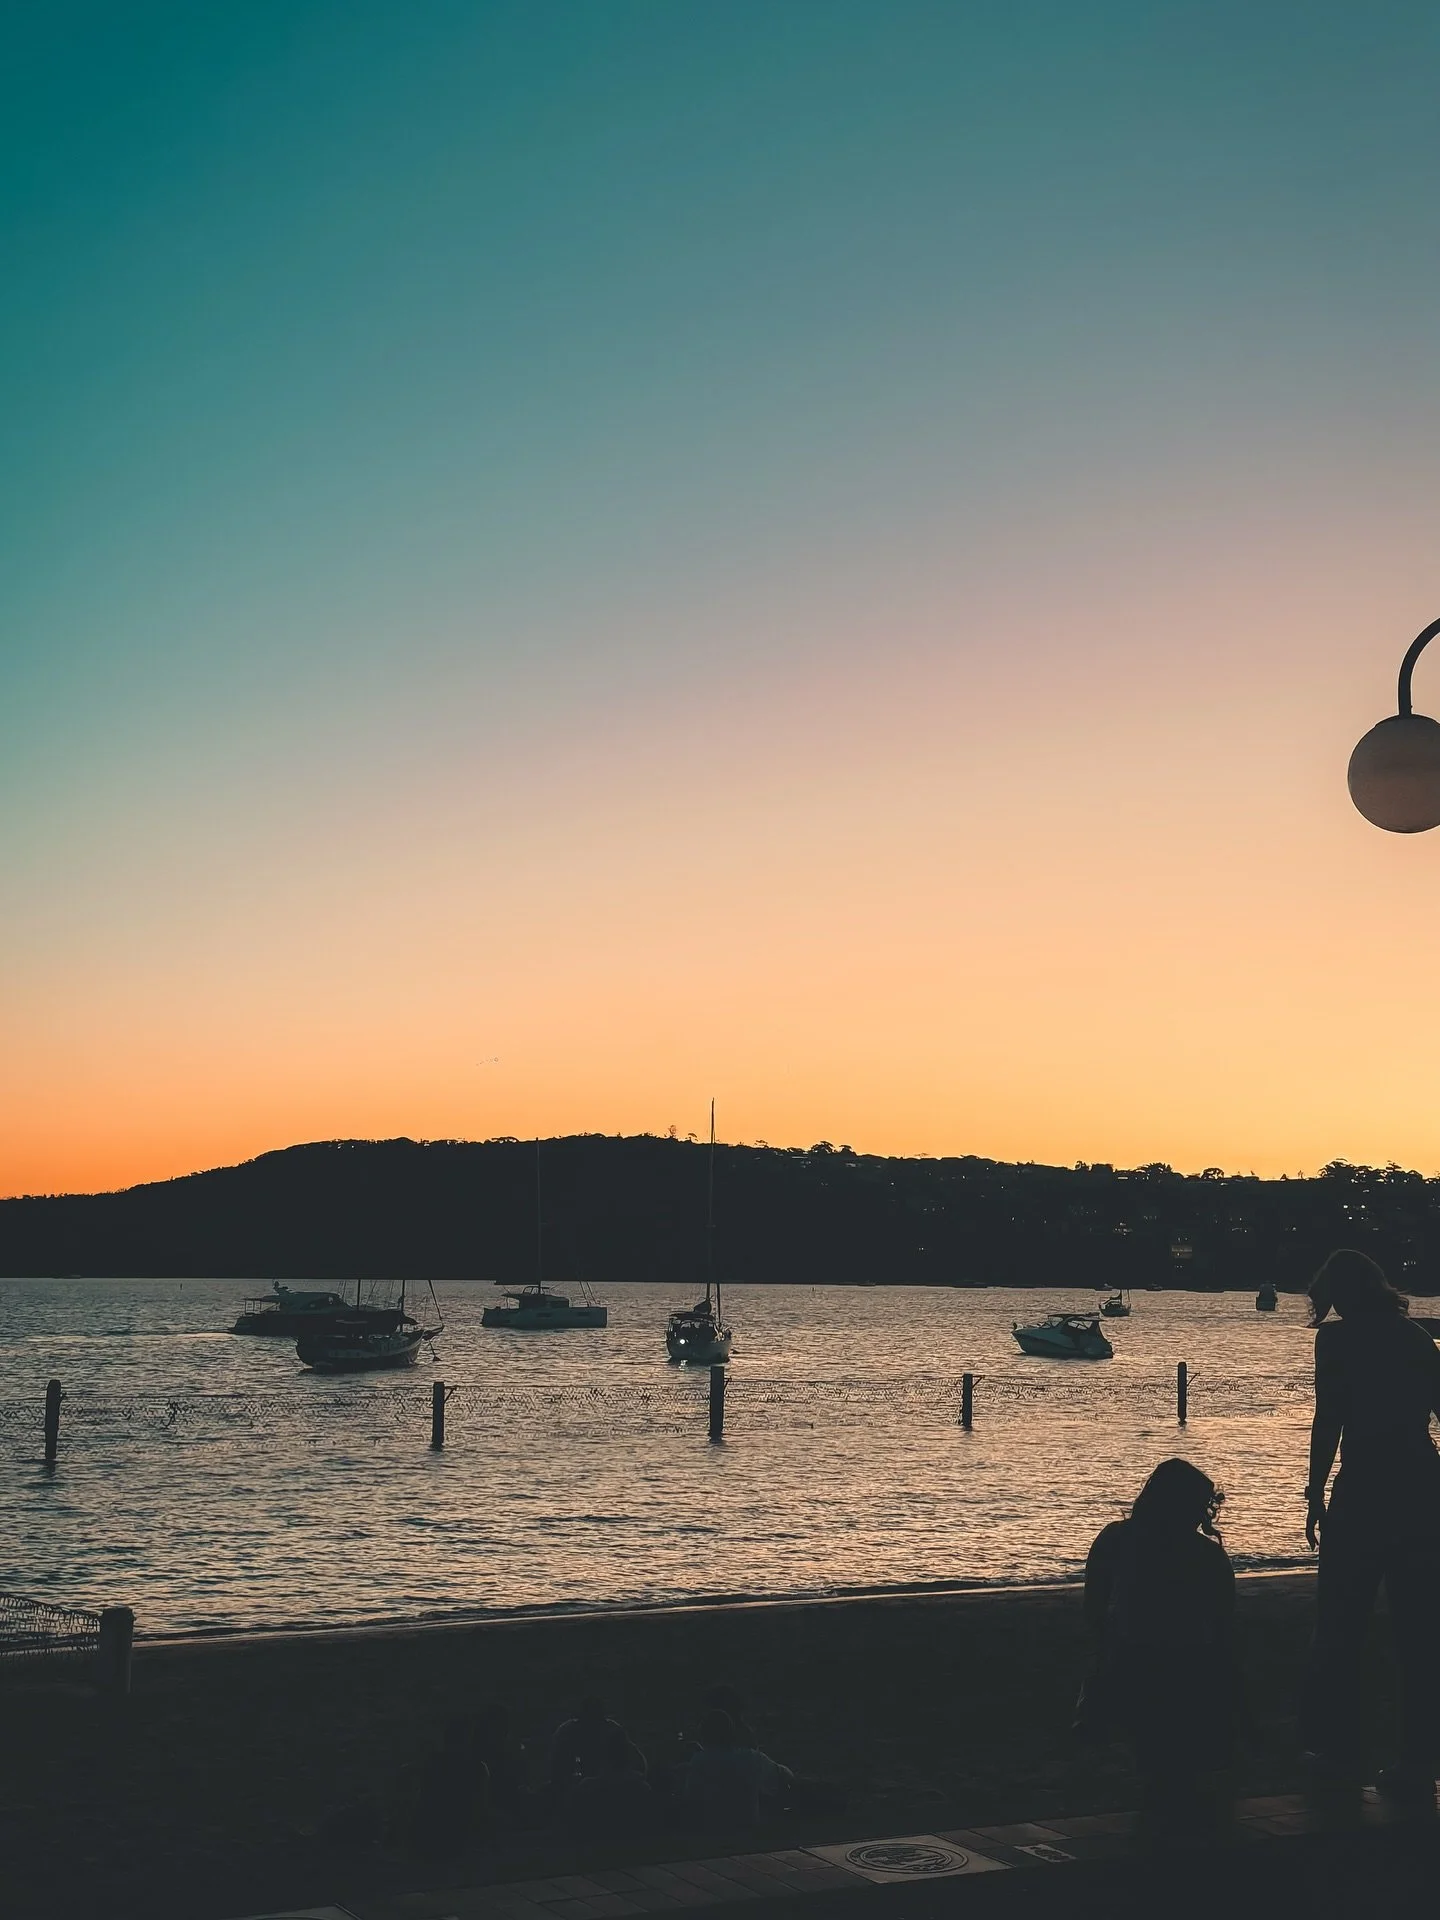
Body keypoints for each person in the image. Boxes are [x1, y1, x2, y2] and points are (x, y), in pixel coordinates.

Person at [1300, 1249, 1440, 1807]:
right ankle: (1418, 1756)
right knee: (1419, 1630)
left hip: (1362, 1486)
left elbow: (1328, 1418)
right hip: (1420, 1482)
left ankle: (1338, 1748)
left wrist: (1314, 1491)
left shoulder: (1334, 1340)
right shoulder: (1415, 1339)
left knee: (1341, 1621)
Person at [1081, 1458, 1237, 1824]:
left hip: (1134, 1658)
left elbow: (1094, 1609)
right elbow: (1223, 1626)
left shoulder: (1117, 1538)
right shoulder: (1207, 1556)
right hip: (1192, 1664)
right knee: (1182, 1768)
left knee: (1156, 1760)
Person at [680, 1708, 793, 1828]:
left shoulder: (698, 1761)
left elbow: (689, 1799)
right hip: (747, 1834)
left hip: (710, 1833)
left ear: (702, 1736)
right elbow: (787, 1776)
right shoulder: (751, 1757)